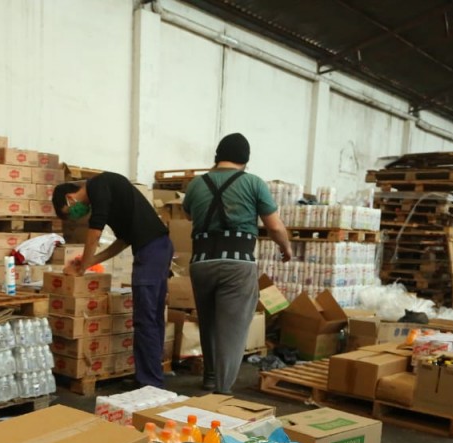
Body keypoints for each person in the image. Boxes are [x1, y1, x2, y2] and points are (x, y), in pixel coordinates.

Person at [182, 133, 292, 393]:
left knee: (208, 323)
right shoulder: (253, 183)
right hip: (237, 264)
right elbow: (275, 227)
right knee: (231, 331)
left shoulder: (196, 184)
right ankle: (222, 391)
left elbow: (188, 214)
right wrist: (285, 247)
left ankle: (210, 377)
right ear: (246, 160)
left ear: (217, 156)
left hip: (201, 263)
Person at [52, 172, 174, 388]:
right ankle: (152, 377)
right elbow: (123, 240)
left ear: (70, 198)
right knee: (152, 318)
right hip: (157, 248)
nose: (76, 216)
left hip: (151, 252)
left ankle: (149, 382)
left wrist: (81, 269)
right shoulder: (108, 193)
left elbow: (94, 234)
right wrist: (90, 262)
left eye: (69, 212)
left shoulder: (98, 186)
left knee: (145, 319)